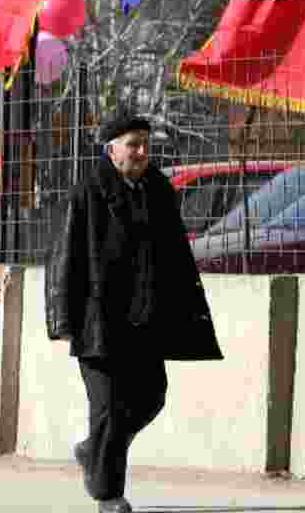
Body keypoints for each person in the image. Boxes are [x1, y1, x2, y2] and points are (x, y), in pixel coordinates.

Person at [45, 111, 223, 513]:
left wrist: (183, 310)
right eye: (133, 144)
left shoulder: (158, 190)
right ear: (111, 150)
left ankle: (93, 450)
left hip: (144, 319)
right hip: (98, 322)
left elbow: (174, 256)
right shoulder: (87, 193)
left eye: (146, 144)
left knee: (150, 397)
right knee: (108, 410)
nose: (142, 152)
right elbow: (62, 258)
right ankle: (108, 494)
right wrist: (62, 320)